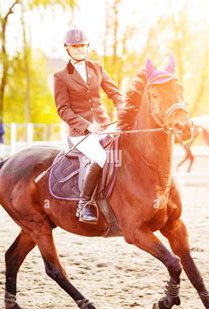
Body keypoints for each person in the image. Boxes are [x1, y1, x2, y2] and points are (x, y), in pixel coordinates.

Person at [53, 26, 124, 224]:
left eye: (82, 46)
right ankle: (84, 204)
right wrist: (86, 125)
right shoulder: (60, 77)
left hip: (104, 124)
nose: (80, 49)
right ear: (67, 48)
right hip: (80, 133)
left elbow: (115, 93)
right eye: (75, 47)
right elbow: (63, 110)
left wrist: (122, 109)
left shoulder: (97, 68)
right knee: (101, 155)